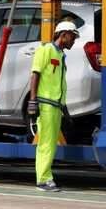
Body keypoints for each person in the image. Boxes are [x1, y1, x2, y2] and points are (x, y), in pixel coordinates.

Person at [28, 20, 79, 192]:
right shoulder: (46, 50)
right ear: (63, 35)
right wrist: (33, 101)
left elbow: (59, 85)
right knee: (47, 143)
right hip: (46, 105)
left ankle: (45, 177)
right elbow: (35, 74)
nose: (74, 41)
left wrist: (66, 111)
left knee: (50, 143)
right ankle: (43, 179)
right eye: (72, 37)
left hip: (56, 107)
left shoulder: (60, 55)